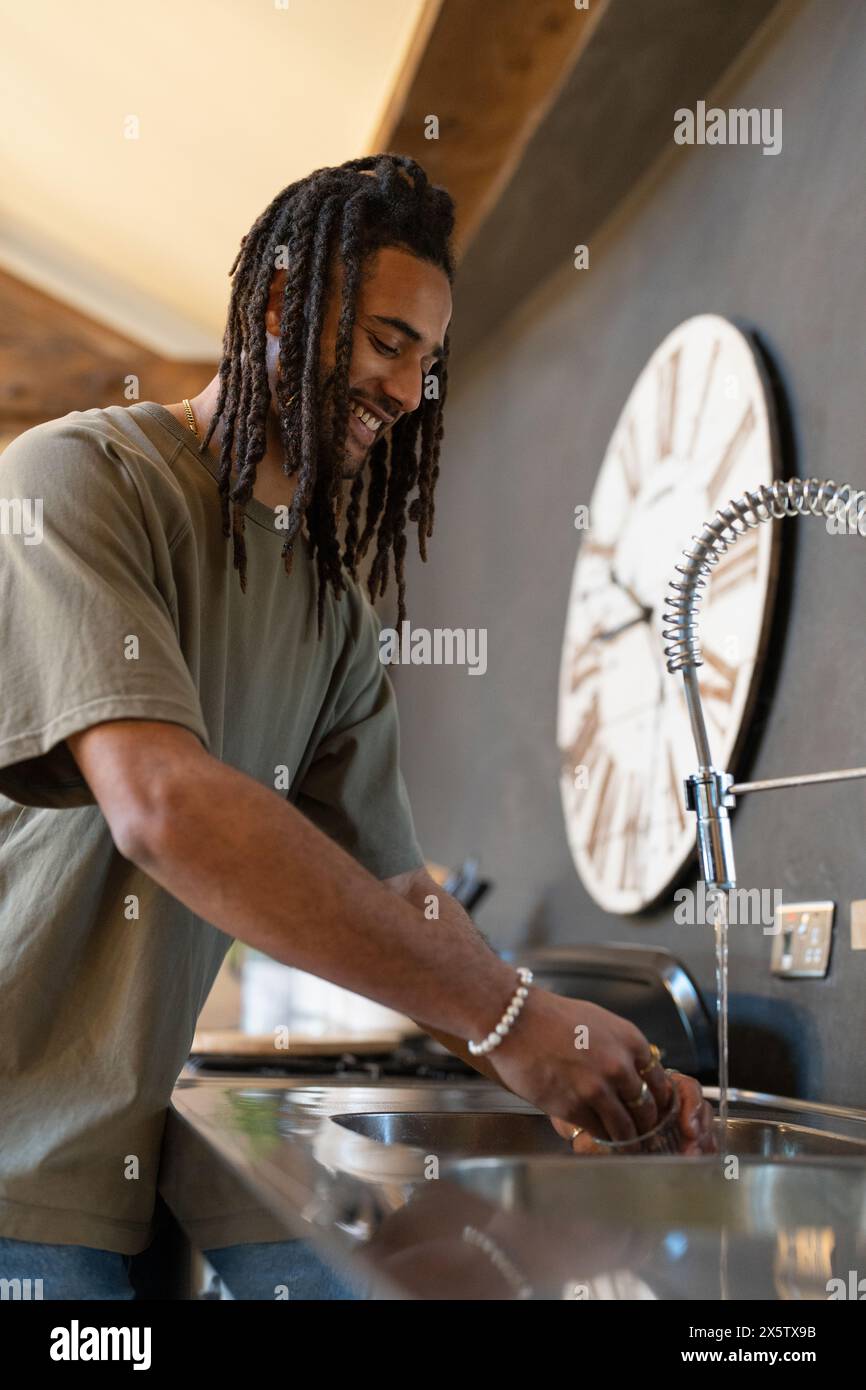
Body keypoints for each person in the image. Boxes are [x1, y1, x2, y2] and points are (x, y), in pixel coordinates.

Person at [0, 154, 714, 1301]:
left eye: (424, 362)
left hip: (120, 1158)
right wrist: (506, 1019)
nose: (403, 388)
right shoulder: (76, 478)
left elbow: (397, 886)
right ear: (283, 303)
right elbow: (161, 804)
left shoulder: (331, 607)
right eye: (385, 341)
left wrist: (564, 1046)